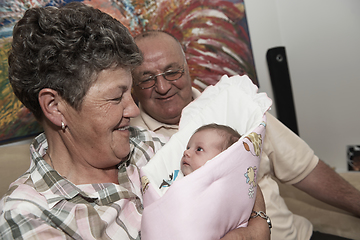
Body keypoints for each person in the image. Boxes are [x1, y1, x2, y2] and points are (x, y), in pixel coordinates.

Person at [0, 3, 269, 239]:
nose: (133, 109)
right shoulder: (30, 217)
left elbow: (237, 170)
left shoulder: (147, 147)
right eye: (116, 98)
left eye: (130, 92)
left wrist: (259, 223)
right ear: (55, 107)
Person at [130, 30, 360, 240]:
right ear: (133, 86)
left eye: (172, 72)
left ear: (187, 67)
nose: (162, 86)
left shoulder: (234, 107)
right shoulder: (130, 144)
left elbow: (304, 167)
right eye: (147, 78)